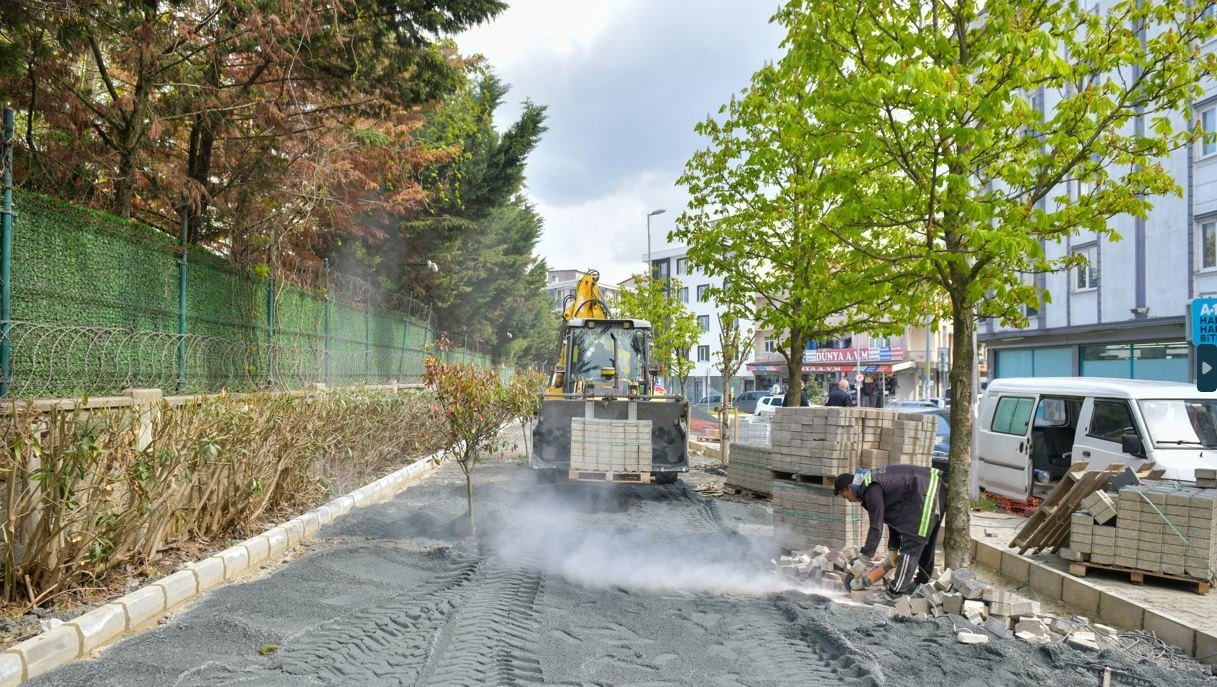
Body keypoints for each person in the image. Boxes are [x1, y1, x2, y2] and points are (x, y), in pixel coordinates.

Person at [834, 465, 945, 596]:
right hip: (931, 487)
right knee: (924, 541)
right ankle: (921, 583)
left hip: (926, 490)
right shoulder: (870, 483)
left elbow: (876, 526)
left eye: (846, 497)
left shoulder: (870, 488)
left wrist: (864, 559)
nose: (850, 501)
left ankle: (895, 593)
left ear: (849, 487)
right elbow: (893, 518)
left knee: (912, 542)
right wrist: (893, 548)